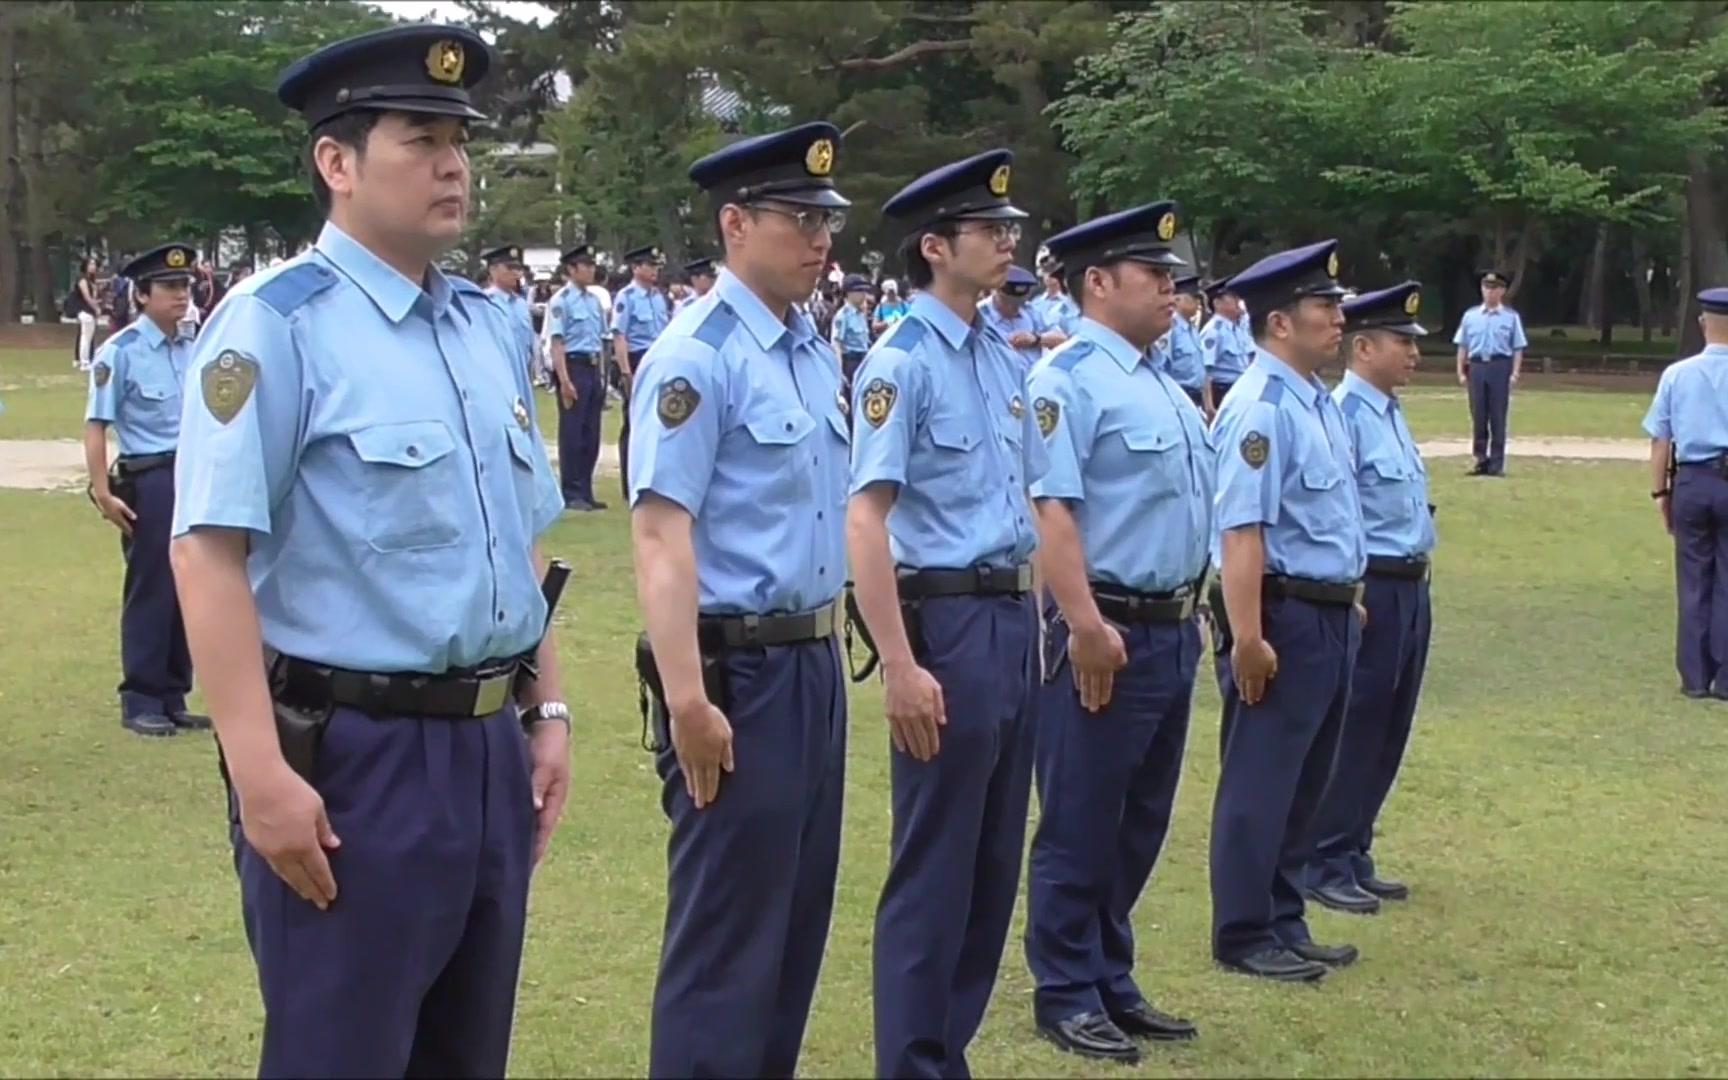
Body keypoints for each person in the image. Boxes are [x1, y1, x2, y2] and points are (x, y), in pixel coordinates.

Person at [167, 26, 571, 1076]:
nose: (452, 164)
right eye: (421, 137)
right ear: (336, 164)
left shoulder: (486, 327)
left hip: (484, 749)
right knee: (341, 1052)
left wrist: (547, 709)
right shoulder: (274, 326)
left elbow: (519, 545)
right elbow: (206, 555)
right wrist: (259, 774)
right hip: (354, 759)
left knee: (463, 1051)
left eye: (460, 142)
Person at [630, 121, 851, 1079]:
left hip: (813, 658)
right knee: (727, 937)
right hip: (738, 672)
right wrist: (688, 700)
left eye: (827, 220)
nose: (820, 239)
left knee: (795, 920)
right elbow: (659, 532)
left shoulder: (807, 347)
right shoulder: (696, 354)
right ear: (734, 224)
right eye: (798, 218)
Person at [847, 149, 1046, 1079]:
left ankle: (946, 1053)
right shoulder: (901, 364)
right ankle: (913, 1064)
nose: (1008, 242)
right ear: (935, 247)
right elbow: (867, 518)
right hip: (948, 625)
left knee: (993, 859)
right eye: (988, 231)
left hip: (1010, 621)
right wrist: (899, 663)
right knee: (936, 861)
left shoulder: (1000, 356)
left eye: (1011, 229)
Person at [1021, 201, 1207, 1064]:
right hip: (1105, 629)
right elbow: (1052, 512)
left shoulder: (1164, 385)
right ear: (1099, 283)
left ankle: (1109, 973)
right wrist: (1083, 622)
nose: (1173, 291)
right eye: (1155, 276)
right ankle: (1064, 987)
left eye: (1173, 278)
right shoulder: (1066, 382)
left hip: (1172, 627)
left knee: (1140, 818)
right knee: (1082, 816)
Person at [1207, 239, 1365, 983]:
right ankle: (1243, 929)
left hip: (1327, 611)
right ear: (1279, 323)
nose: (1338, 319)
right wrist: (1247, 637)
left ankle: (1283, 913)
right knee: (1262, 778)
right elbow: (1243, 532)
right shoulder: (1262, 409)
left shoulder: (1312, 401)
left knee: (1306, 777)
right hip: (1281, 614)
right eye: (1324, 308)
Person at [1301, 282, 1436, 915]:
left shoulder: (1387, 410)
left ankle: (1354, 846)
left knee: (1390, 724)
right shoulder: (1344, 414)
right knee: (1357, 724)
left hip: (1411, 583)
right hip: (1374, 584)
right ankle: (1323, 856)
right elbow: (1341, 513)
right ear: (1364, 347)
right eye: (1401, 342)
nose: (1413, 354)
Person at [83, 243, 205, 739]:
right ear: (142, 294)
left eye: (186, 286)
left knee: (190, 587)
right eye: (170, 287)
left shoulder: (196, 346)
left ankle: (174, 694)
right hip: (151, 479)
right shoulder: (122, 352)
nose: (181, 295)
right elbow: (96, 426)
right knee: (151, 588)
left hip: (195, 475)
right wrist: (102, 493)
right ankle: (141, 697)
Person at [1644, 287, 1728, 699]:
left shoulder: (1677, 374)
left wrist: (1660, 493)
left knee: (1694, 578)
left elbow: (1661, 441)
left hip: (1693, 481)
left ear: (1702, 324)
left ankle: (1695, 676)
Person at [548, 244, 608, 511]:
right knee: (572, 433)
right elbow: (557, 343)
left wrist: (604, 375)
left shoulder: (594, 301)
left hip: (593, 367)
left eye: (593, 265)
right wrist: (563, 380)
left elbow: (602, 340)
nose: (591, 270)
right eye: (586, 265)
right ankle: (571, 492)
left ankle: (586, 489)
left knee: (591, 433)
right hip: (573, 366)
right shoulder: (562, 301)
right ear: (572, 269)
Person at [1454, 269, 1528, 477]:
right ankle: (1480, 460)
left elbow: (1517, 348)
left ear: (1502, 291)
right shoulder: (1470, 316)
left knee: (1497, 416)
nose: (1490, 292)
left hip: (1499, 366)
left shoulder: (1511, 318)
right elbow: (1463, 346)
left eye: (1494, 288)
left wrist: (1514, 373)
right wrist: (1460, 370)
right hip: (1477, 366)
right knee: (1478, 416)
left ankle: (1497, 464)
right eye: (1486, 287)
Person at [612, 243, 671, 499]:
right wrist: (626, 372)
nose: (654, 271)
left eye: (656, 266)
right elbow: (620, 335)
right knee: (633, 423)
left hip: (658, 360)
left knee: (659, 421)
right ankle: (630, 482)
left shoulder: (659, 297)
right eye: (649, 265)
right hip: (637, 360)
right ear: (636, 268)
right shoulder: (626, 298)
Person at [979, 264, 1064, 369]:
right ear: (996, 292)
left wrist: (1036, 339)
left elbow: (1061, 339)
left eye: (1018, 303)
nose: (1014, 308)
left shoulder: (1031, 311)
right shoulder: (979, 314)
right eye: (1008, 302)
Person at [481, 244, 541, 381]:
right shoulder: (484, 303)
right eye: (510, 268)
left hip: (523, 373)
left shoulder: (521, 304)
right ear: (493, 270)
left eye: (518, 268)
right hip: (497, 375)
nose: (516, 274)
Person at [1154, 274, 1212, 414]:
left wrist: (1208, 404)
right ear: (1177, 300)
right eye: (1194, 299)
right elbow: (1161, 368)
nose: (1198, 304)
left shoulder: (1192, 328)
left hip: (1197, 398)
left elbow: (1201, 370)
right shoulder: (1170, 329)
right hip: (1180, 396)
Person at [1200, 278, 1252, 405]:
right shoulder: (1213, 331)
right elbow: (1204, 370)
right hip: (1222, 390)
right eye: (1233, 298)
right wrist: (1209, 404)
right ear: (1217, 303)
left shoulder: (1237, 328)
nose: (1238, 302)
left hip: (1240, 386)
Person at [832, 273, 874, 395]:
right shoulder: (843, 315)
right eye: (859, 291)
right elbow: (837, 344)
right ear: (849, 293)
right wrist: (839, 372)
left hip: (863, 359)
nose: (863, 295)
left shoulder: (861, 313)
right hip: (850, 362)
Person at [1032, 264, 1081, 338]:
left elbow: (1074, 329)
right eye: (1045, 272)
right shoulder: (1035, 302)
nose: (1048, 276)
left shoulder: (1069, 303)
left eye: (1052, 272)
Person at [72, 257, 102, 370]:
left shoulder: (92, 280)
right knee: (85, 337)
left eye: (94, 264)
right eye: (90, 264)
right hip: (84, 310)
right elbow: (87, 297)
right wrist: (96, 308)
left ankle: (83, 360)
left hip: (89, 311)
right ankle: (84, 362)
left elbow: (93, 297)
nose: (93, 267)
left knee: (88, 336)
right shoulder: (82, 279)